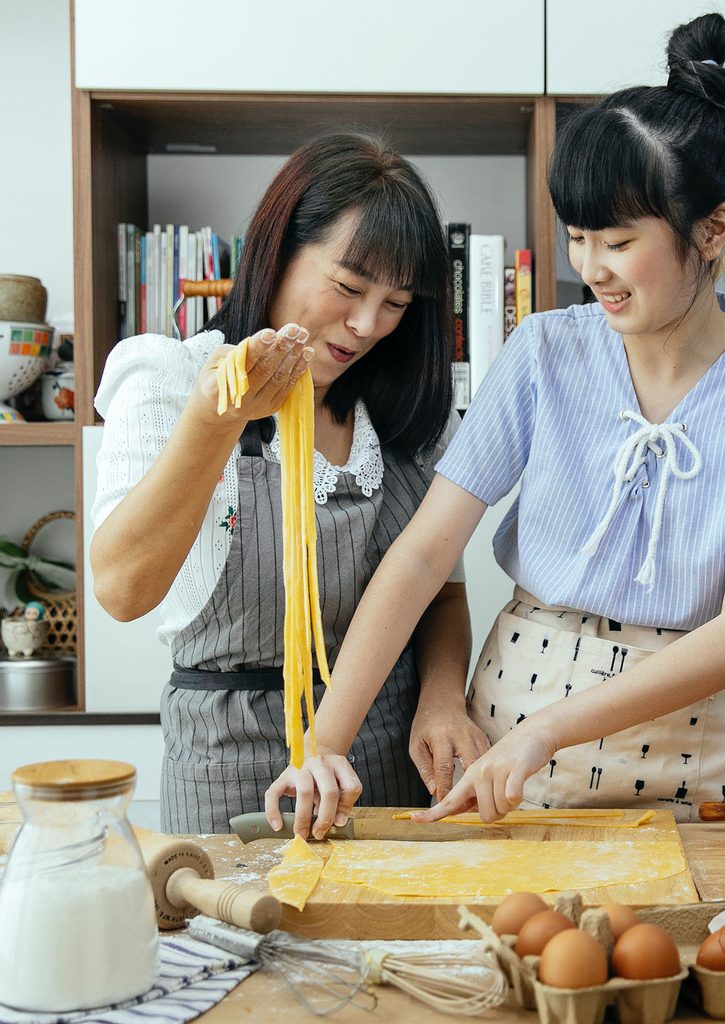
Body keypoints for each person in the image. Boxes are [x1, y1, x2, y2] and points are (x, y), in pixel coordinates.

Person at [266, 12, 725, 832]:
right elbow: (425, 550)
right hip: (507, 737)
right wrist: (326, 742)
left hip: (689, 752)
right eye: (577, 238)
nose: (590, 269)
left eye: (617, 241)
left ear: (711, 231)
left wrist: (550, 730)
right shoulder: (544, 351)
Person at [91, 130, 490, 835]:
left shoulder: (407, 415)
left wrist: (439, 697)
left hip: (383, 765)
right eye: (347, 287)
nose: (367, 325)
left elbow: (440, 589)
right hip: (225, 768)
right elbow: (122, 589)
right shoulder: (168, 377)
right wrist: (217, 421)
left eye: (397, 303)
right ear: (277, 250)